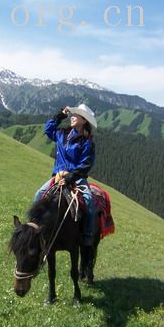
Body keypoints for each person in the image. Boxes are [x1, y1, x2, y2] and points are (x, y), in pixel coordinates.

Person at [34, 103, 97, 247]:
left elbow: (85, 165)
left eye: (76, 115)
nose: (73, 117)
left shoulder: (87, 143)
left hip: (76, 177)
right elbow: (48, 129)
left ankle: (88, 234)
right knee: (38, 195)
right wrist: (61, 114)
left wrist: (69, 178)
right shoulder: (61, 134)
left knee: (88, 200)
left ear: (84, 120)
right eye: (73, 114)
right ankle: (36, 227)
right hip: (57, 176)